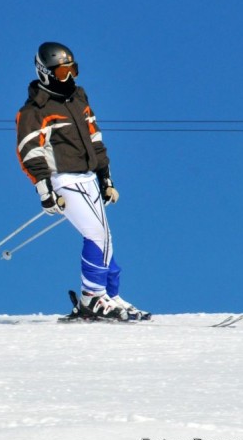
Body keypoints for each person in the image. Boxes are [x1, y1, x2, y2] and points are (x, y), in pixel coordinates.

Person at [15, 42, 149, 321]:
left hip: (88, 176)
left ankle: (109, 296)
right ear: (46, 73)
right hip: (62, 179)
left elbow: (95, 138)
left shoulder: (78, 98)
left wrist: (105, 177)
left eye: (73, 70)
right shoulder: (34, 111)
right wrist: (45, 190)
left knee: (107, 240)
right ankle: (92, 299)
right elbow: (30, 152)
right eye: (63, 73)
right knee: (95, 235)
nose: (70, 78)